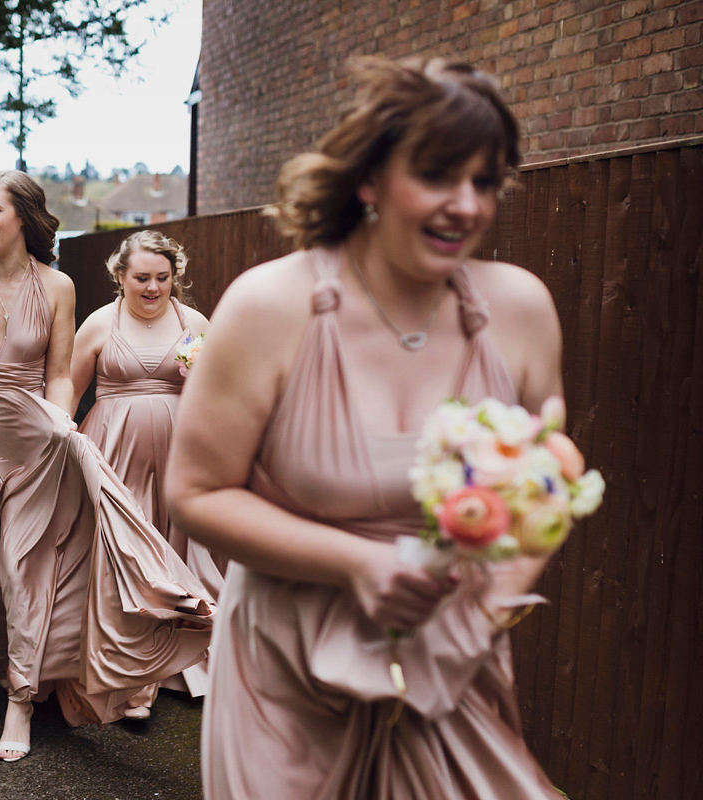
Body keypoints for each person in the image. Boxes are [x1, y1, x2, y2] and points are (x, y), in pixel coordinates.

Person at [166, 57, 567, 798]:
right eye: (439, 176)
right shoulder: (270, 307)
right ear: (370, 179)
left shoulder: (520, 310)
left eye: (485, 182)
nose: (466, 205)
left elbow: (547, 483)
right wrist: (360, 564)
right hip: (286, 676)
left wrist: (488, 608)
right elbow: (196, 494)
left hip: (449, 663)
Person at [0, 170, 213, 762]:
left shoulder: (57, 286)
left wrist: (60, 421)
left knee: (25, 567)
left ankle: (22, 701)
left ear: (23, 216)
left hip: (36, 440)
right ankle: (8, 662)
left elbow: (58, 372)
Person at [70, 230, 224, 719]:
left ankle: (183, 663)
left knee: (178, 551)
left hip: (183, 454)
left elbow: (220, 389)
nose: (154, 287)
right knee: (130, 560)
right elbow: (69, 392)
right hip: (115, 453)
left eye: (163, 277)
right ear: (120, 276)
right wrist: (57, 443)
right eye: (142, 278)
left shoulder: (194, 321)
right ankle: (134, 679)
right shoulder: (98, 324)